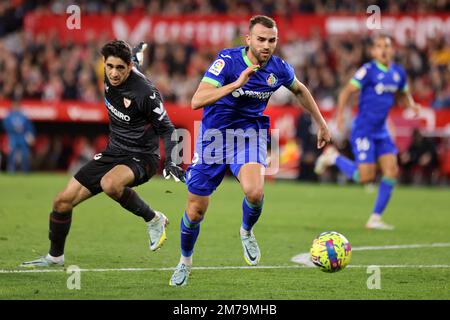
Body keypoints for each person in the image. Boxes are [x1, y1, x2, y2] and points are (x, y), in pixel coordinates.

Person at [169, 15, 332, 286]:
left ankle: (246, 231)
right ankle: (185, 261)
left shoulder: (279, 69)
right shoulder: (228, 61)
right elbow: (197, 100)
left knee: (255, 192)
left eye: (272, 40)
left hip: (249, 136)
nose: (266, 45)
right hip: (214, 139)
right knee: (196, 210)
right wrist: (236, 84)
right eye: (261, 39)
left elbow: (300, 90)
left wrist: (322, 123)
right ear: (248, 40)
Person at [21, 40, 185, 268]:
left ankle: (153, 219)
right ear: (104, 64)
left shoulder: (145, 93)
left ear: (128, 67)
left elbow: (168, 128)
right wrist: (136, 53)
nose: (113, 73)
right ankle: (55, 258)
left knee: (110, 184)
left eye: (120, 68)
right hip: (113, 152)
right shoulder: (111, 72)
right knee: (61, 202)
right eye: (109, 66)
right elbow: (134, 59)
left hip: (142, 157)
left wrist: (174, 161)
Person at [315, 34, 421, 230]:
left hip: (381, 131)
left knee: (391, 171)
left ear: (392, 50)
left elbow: (404, 93)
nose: (384, 50)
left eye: (387, 46)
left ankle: (375, 218)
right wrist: (339, 115)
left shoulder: (398, 73)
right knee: (365, 178)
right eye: (379, 46)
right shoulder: (368, 70)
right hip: (363, 129)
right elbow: (346, 91)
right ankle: (333, 157)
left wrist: (412, 105)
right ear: (372, 51)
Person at [2, 98, 35, 173]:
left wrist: (31, 135)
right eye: (15, 105)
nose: (16, 106)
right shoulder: (9, 114)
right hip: (13, 136)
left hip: (22, 136)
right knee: (11, 153)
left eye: (17, 105)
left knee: (25, 153)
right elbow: (5, 125)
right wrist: (12, 129)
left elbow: (29, 126)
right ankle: (11, 170)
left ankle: (25, 170)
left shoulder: (23, 115)